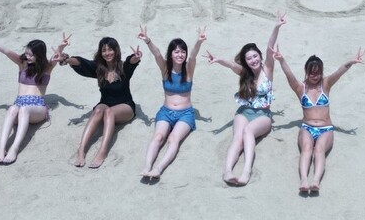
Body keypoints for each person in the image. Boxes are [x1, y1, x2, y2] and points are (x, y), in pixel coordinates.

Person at [205, 13, 285, 186]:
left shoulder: (268, 69)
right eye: (249, 58)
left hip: (263, 115)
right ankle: (227, 171)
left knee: (248, 131)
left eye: (255, 56)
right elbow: (231, 65)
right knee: (238, 139)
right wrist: (218, 60)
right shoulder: (245, 73)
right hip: (244, 112)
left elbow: (270, 47)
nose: (253, 60)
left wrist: (276, 26)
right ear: (246, 62)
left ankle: (246, 171)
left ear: (260, 56)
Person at [272, 44, 365, 194]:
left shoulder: (326, 84)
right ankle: (303, 179)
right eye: (312, 73)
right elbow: (289, 75)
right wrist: (281, 60)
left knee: (319, 150)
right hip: (307, 128)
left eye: (318, 73)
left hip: (325, 129)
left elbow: (339, 72)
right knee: (306, 149)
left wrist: (351, 62)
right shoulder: (300, 88)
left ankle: (315, 180)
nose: (315, 76)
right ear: (306, 72)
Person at [0, 31, 70, 165]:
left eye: (31, 55)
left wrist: (61, 46)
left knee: (24, 109)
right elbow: (7, 52)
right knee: (12, 109)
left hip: (37, 108)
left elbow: (56, 56)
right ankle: (1, 149)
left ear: (39, 55)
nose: (27, 57)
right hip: (19, 103)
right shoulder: (22, 64)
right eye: (26, 53)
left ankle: (14, 148)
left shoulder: (47, 68)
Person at [137, 25, 206, 180]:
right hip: (166, 112)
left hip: (185, 114)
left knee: (173, 139)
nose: (180, 54)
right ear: (171, 54)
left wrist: (199, 41)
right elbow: (157, 54)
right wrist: (147, 40)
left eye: (183, 51)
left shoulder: (189, 69)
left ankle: (159, 168)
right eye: (176, 51)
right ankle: (147, 166)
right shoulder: (165, 69)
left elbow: (193, 56)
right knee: (158, 137)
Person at [63, 37, 142, 168]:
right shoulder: (99, 68)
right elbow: (82, 63)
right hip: (105, 103)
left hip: (125, 106)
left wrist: (137, 57)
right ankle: (81, 150)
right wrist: (66, 59)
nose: (107, 53)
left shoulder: (123, 67)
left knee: (109, 112)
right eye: (104, 50)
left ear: (116, 51)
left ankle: (102, 152)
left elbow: (132, 61)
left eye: (110, 49)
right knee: (98, 110)